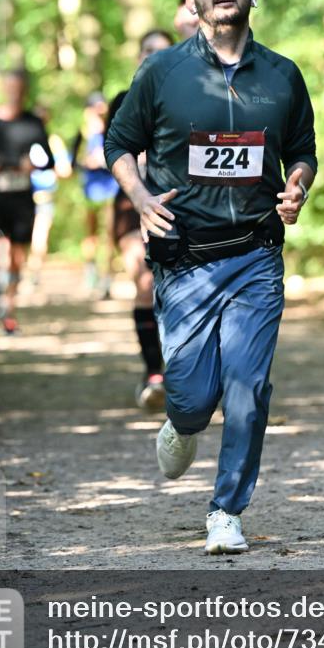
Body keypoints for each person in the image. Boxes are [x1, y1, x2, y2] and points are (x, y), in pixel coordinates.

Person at [104, 0, 317, 555]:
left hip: (255, 253)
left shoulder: (282, 74)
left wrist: (297, 186)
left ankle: (226, 510)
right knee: (194, 398)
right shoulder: (162, 72)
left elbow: (302, 151)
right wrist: (141, 199)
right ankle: (182, 419)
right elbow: (118, 144)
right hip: (186, 256)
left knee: (249, 384)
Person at [107, 30, 173, 410]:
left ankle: (185, 370)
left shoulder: (190, 96)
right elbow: (113, 152)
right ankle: (154, 374)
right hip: (131, 204)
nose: (153, 58)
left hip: (178, 204)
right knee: (145, 281)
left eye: (161, 52)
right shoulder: (123, 100)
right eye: (147, 51)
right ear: (138, 56)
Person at [0, 67, 54, 334]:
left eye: (19, 88)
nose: (14, 93)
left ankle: (10, 315)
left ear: (25, 91)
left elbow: (48, 159)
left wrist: (33, 165)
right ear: (4, 89)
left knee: (17, 259)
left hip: (22, 202)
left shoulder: (33, 123)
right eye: (10, 87)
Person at [73, 92, 119, 297]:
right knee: (90, 233)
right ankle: (90, 271)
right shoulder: (82, 134)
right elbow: (73, 162)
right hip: (90, 189)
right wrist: (87, 162)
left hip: (111, 188)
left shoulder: (113, 131)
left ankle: (107, 277)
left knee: (109, 234)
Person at [28, 106, 72, 286]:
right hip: (25, 196)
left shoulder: (52, 142)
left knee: (39, 234)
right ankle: (28, 272)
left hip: (43, 196)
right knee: (35, 235)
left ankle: (33, 271)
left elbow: (65, 169)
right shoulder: (47, 140)